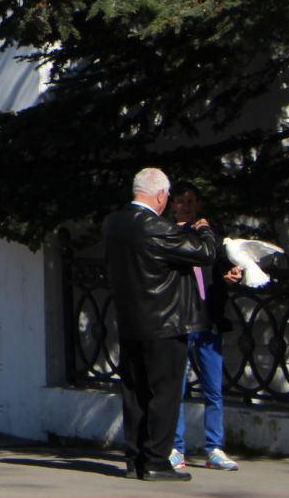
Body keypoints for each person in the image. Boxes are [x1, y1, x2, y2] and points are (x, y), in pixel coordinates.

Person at [103, 166, 219, 481]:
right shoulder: (154, 226)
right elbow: (205, 253)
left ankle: (135, 458)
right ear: (160, 195)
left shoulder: (114, 223)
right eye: (167, 196)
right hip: (165, 322)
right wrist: (203, 228)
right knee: (164, 394)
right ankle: (156, 461)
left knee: (134, 392)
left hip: (130, 321)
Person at [169, 183, 243, 473]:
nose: (186, 206)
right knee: (179, 387)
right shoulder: (170, 234)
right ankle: (177, 448)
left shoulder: (209, 233)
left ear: (198, 203)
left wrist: (232, 275)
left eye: (191, 201)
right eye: (180, 201)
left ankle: (214, 448)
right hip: (183, 319)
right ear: (172, 205)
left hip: (208, 319)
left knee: (214, 387)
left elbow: (223, 266)